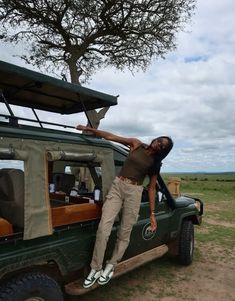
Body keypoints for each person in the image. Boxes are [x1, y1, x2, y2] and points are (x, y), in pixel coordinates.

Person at [75, 125, 173, 288]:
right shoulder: (136, 144)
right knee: (103, 229)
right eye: (160, 141)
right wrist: (90, 129)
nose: (159, 144)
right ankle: (95, 268)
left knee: (124, 232)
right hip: (117, 186)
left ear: (163, 151)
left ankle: (111, 265)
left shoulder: (155, 163)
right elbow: (111, 137)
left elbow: (152, 188)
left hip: (134, 192)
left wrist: (152, 213)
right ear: (156, 138)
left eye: (163, 146)